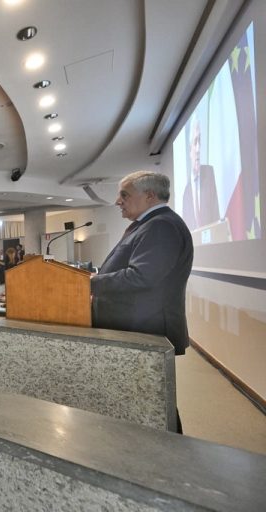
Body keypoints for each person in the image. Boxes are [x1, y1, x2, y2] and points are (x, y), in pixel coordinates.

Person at [90, 171, 192, 432]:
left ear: (149, 196)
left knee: (154, 401)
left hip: (145, 326)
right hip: (136, 324)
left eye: (124, 195)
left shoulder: (162, 226)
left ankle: (170, 454)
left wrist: (89, 282)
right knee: (146, 399)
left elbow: (141, 277)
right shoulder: (149, 224)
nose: (118, 201)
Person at [182, 117, 220, 230]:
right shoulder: (187, 191)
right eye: (195, 142)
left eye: (200, 141)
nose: (198, 149)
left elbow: (216, 216)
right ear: (189, 150)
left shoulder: (209, 174)